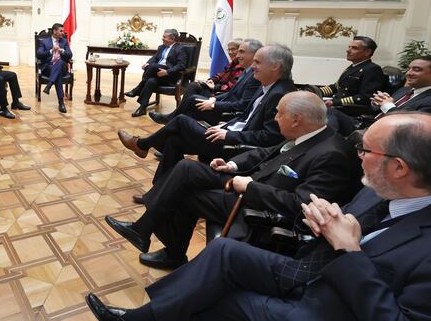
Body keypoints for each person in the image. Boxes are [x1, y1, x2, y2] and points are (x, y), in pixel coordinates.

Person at [85, 112, 431, 321]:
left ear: (399, 167)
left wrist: (349, 252)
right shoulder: (376, 190)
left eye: (366, 150)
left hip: (329, 306)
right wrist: (325, 226)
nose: (358, 155)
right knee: (222, 252)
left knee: (214, 297)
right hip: (311, 266)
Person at [105, 91, 360, 270]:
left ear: (297, 119)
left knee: (185, 193)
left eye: (279, 114)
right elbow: (265, 154)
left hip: (260, 205)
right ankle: (143, 230)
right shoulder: (308, 135)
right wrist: (233, 164)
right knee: (186, 168)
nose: (275, 118)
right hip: (250, 180)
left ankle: (165, 248)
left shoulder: (332, 154)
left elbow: (301, 206)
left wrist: (249, 186)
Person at [119, 44, 296, 188]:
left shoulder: (280, 94)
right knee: (174, 141)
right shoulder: (268, 86)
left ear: (275, 66)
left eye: (258, 62)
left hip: (236, 146)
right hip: (228, 132)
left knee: (181, 121)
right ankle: (158, 190)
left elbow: (270, 138)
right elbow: (245, 115)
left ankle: (142, 144)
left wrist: (229, 133)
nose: (253, 67)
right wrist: (225, 126)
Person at [149, 38, 262, 125]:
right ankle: (173, 119)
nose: (234, 53)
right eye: (230, 49)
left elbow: (232, 90)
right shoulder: (237, 66)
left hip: (222, 98)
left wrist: (214, 94)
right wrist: (211, 80)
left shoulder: (248, 71)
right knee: (193, 88)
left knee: (192, 99)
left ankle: (172, 118)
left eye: (237, 51)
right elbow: (220, 75)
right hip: (219, 94)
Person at [331, 56, 431, 135]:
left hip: (389, 136)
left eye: (416, 70)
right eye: (408, 69)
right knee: (326, 111)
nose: (408, 73)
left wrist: (387, 106)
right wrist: (377, 104)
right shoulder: (405, 90)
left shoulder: (428, 100)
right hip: (368, 125)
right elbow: (381, 110)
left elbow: (409, 127)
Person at [124, 29, 188, 117]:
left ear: (171, 39)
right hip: (157, 73)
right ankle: (142, 108)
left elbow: (181, 65)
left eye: (164, 37)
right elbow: (154, 58)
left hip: (169, 75)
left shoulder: (180, 49)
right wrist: (147, 63)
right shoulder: (161, 47)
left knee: (153, 66)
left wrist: (167, 72)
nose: (162, 38)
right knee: (151, 81)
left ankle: (137, 89)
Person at [320, 36, 383, 109]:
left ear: (367, 52)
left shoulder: (372, 69)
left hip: (350, 109)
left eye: (354, 48)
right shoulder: (354, 67)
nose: (348, 50)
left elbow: (365, 97)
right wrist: (315, 91)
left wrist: (335, 102)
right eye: (349, 47)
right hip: (338, 104)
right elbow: (336, 87)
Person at [36, 23, 73, 113]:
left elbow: (70, 55)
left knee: (60, 63)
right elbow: (39, 54)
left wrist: (62, 51)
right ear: (54, 31)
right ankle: (61, 103)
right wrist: (51, 50)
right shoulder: (44, 41)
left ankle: (49, 85)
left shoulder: (64, 41)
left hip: (62, 66)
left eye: (63, 31)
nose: (63, 33)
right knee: (58, 74)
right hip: (49, 66)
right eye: (61, 31)